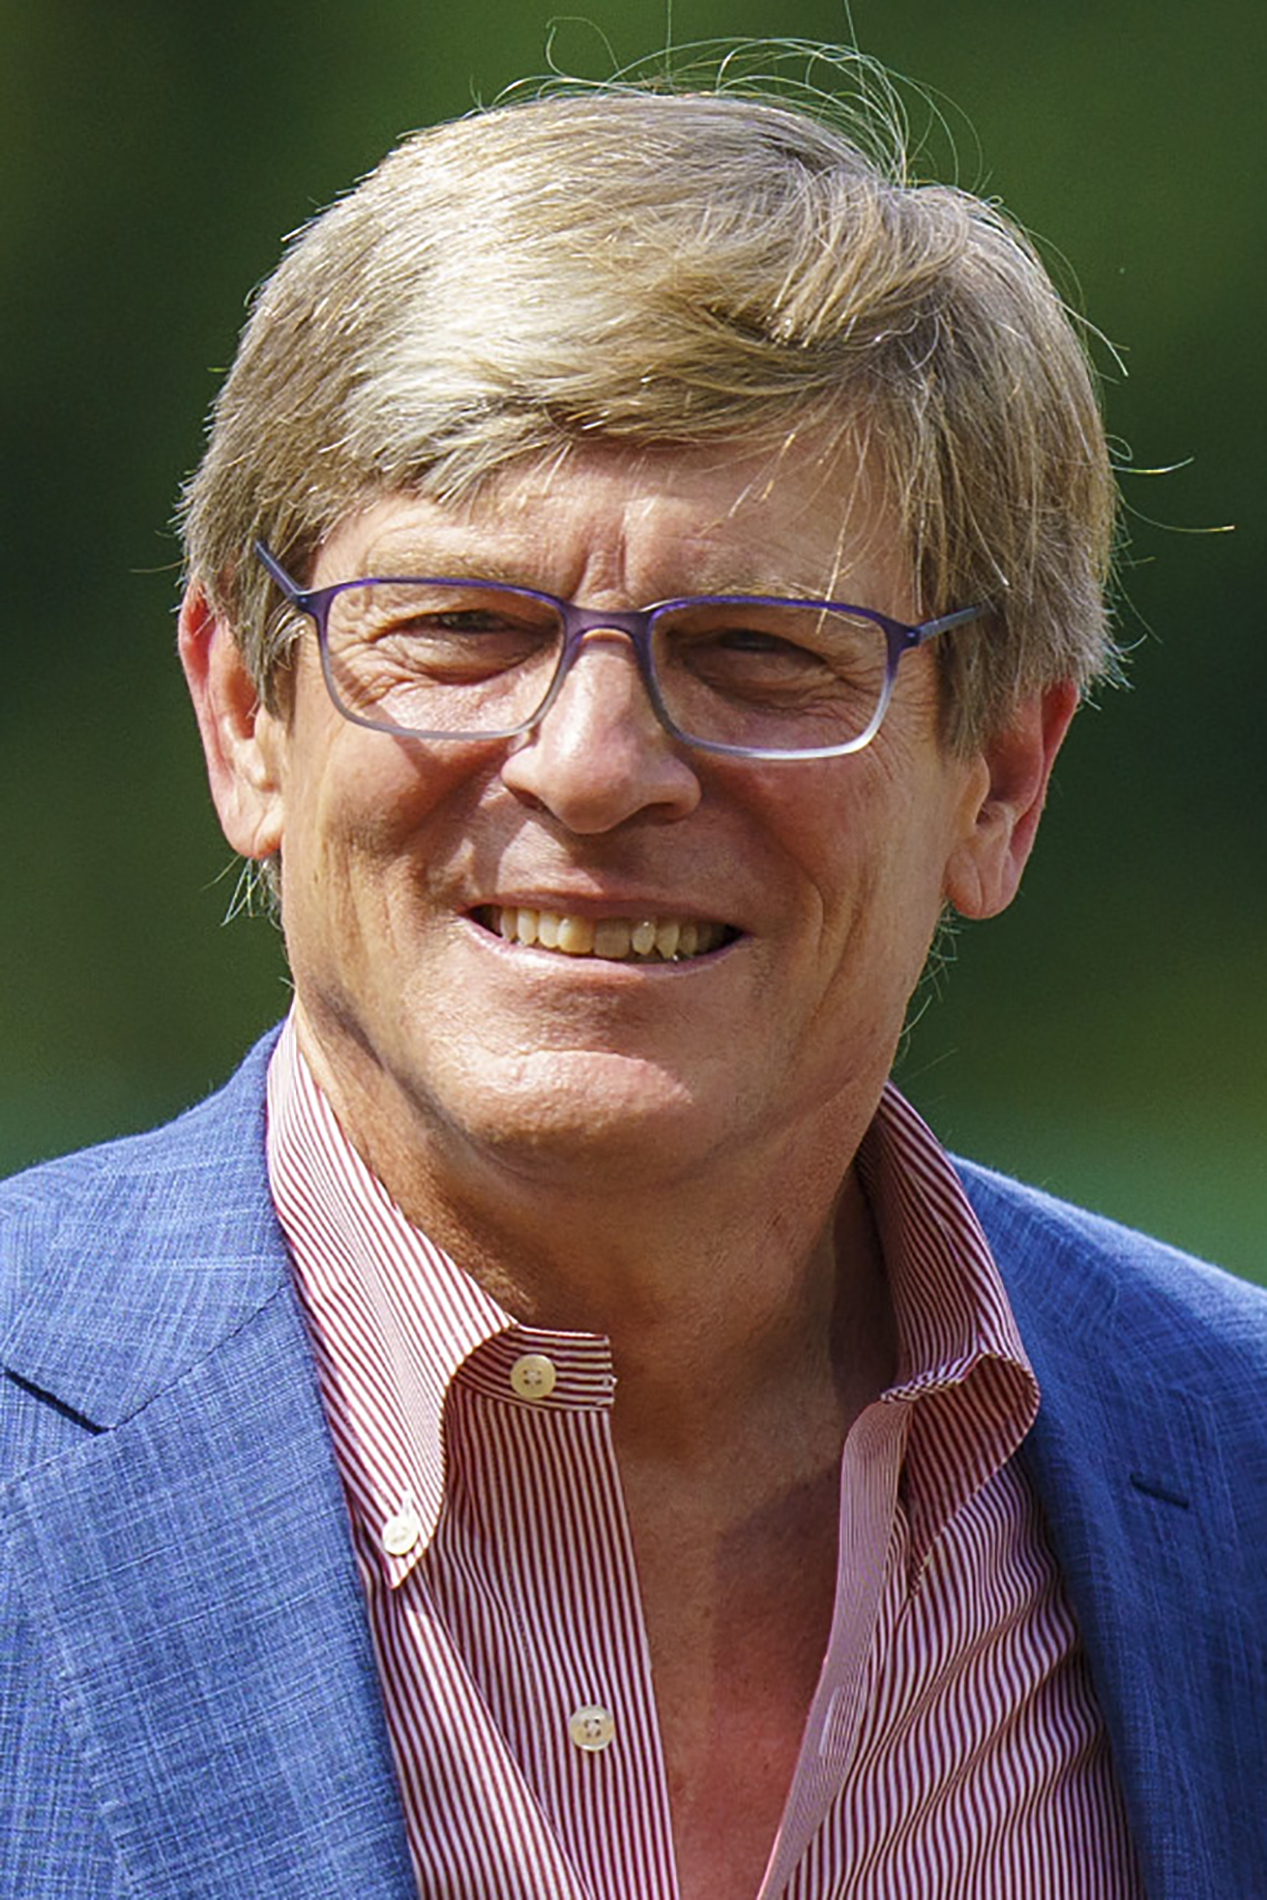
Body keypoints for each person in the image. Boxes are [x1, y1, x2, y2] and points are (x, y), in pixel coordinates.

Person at [2, 63, 1263, 1900]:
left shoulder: (1228, 1478)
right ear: (241, 714)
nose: (595, 768)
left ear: (1000, 780)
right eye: (462, 630)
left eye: (762, 653)